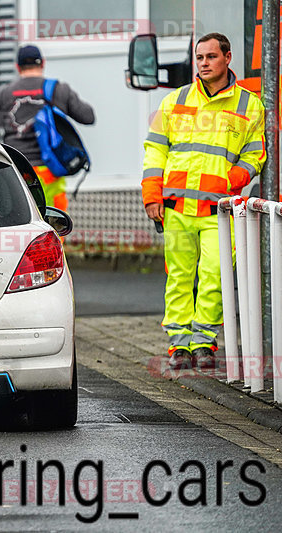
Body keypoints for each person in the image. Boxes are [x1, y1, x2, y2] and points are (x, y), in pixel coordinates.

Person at [142, 33, 265, 370]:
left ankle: (204, 342)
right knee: (180, 276)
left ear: (228, 57)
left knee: (214, 275)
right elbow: (155, 150)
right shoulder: (174, 101)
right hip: (177, 208)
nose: (204, 63)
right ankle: (179, 345)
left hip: (218, 209)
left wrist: (233, 180)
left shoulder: (248, 105)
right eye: (200, 58)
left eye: (211, 57)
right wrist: (152, 195)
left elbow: (255, 153)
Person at [0, 44, 95, 211]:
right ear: (42, 63)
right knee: (53, 223)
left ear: (17, 67)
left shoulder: (4, 94)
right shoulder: (57, 90)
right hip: (49, 171)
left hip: (16, 170)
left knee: (19, 220)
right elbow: (88, 117)